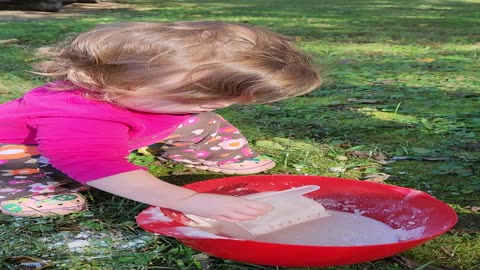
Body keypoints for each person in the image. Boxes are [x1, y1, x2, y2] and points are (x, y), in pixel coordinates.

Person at [0, 21, 321, 221]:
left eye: (230, 95)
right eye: (196, 94)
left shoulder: (144, 95)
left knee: (201, 121)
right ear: (120, 83)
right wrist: (187, 199)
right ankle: (20, 191)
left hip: (130, 128)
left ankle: (205, 153)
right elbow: (94, 164)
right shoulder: (78, 116)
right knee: (31, 166)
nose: (226, 102)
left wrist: (193, 105)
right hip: (20, 150)